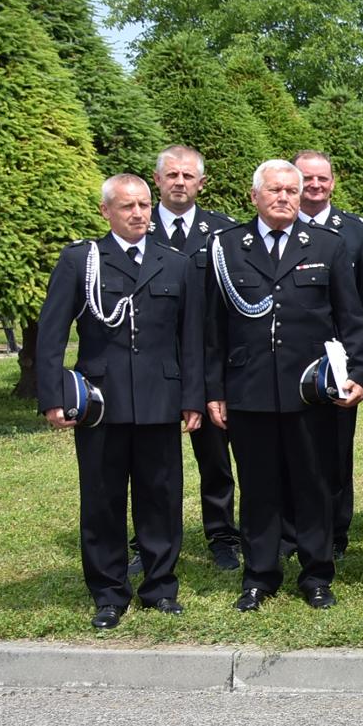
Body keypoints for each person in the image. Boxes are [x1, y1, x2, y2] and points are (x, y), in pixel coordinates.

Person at [36, 174, 203, 629]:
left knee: (161, 498)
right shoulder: (82, 261)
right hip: (101, 403)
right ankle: (109, 593)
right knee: (103, 500)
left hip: (159, 399)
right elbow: (51, 334)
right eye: (127, 206)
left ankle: (160, 588)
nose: (138, 214)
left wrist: (192, 399)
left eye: (144, 206)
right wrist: (53, 397)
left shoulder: (175, 263)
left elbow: (191, 338)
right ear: (105, 212)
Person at [202, 160, 363, 612]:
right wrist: (213, 390)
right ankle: (259, 576)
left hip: (308, 391)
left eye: (292, 191)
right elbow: (212, 328)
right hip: (249, 389)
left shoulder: (327, 246)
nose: (285, 198)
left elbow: (352, 320)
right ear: (254, 195)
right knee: (258, 487)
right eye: (275, 190)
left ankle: (316, 576)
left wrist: (357, 376)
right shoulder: (227, 247)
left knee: (313, 485)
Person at [144, 145, 241, 572]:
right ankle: (148, 539)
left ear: (201, 183)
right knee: (150, 462)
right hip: (153, 366)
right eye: (172, 175)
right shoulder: (137, 230)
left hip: (208, 362)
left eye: (188, 176)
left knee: (216, 458)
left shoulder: (223, 234)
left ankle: (222, 535)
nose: (179, 182)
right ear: (157, 180)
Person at [293, 151, 363, 560]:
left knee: (335, 452)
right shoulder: (278, 226)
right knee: (288, 450)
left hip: (338, 360)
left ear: (333, 182)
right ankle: (289, 532)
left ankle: (335, 532)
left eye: (322, 178)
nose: (315, 185)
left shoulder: (357, 233)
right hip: (288, 358)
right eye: (306, 178)